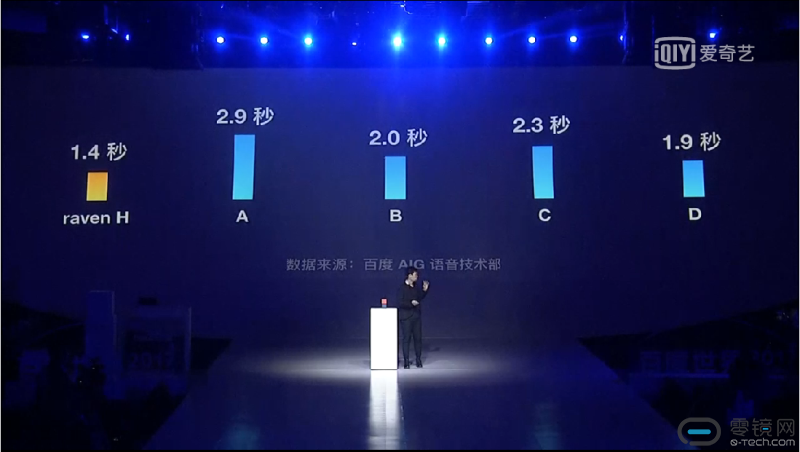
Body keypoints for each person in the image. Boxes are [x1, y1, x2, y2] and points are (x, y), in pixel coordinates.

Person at [396, 266, 430, 369]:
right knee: (406, 339)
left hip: (416, 316)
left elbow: (419, 298)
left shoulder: (416, 287)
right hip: (406, 317)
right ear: (409, 275)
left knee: (417, 339)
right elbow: (400, 302)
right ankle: (406, 361)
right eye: (415, 275)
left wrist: (424, 291)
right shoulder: (402, 288)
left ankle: (418, 360)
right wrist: (411, 303)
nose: (417, 277)